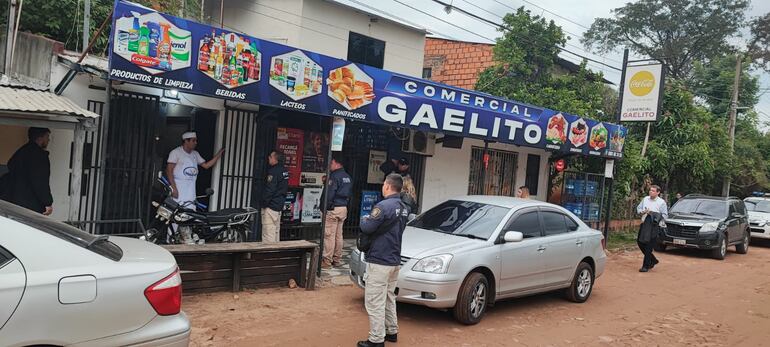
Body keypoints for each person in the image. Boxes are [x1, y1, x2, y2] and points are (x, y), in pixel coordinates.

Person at [357, 174, 409, 347]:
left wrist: (364, 219)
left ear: (387, 186)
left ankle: (376, 339)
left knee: (374, 301)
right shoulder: (404, 207)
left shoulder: (383, 206)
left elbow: (367, 227)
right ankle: (391, 331)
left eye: (383, 184)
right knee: (389, 297)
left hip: (380, 259)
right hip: (394, 259)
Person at [2, 127, 53, 215]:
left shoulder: (21, 151)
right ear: (40, 138)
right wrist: (47, 202)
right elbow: (40, 182)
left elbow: (10, 164)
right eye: (47, 136)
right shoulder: (39, 156)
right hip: (31, 204)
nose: (49, 140)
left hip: (14, 200)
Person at [166, 131, 224, 206]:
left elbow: (206, 166)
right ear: (186, 141)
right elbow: (169, 171)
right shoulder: (176, 153)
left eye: (196, 140)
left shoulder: (195, 154)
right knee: (177, 210)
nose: (196, 143)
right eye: (193, 141)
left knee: (190, 209)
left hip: (191, 191)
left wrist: (219, 154)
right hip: (178, 188)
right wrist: (174, 188)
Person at [322, 153, 352, 267]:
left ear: (335, 162)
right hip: (343, 208)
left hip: (333, 208)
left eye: (331, 162)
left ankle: (326, 260)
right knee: (339, 235)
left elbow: (329, 194)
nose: (329, 165)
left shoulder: (334, 176)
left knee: (329, 235)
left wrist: (325, 207)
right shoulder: (347, 177)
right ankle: (337, 259)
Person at [636, 185, 668, 272]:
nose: (651, 192)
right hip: (644, 224)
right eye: (650, 190)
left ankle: (645, 266)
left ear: (658, 192)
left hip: (653, 226)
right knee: (640, 242)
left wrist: (654, 215)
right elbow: (638, 208)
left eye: (653, 191)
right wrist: (643, 211)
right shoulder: (645, 199)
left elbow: (665, 215)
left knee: (649, 245)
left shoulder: (661, 202)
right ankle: (653, 259)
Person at [261, 150, 289, 243]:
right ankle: (276, 251)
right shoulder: (284, 171)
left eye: (270, 156)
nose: (268, 158)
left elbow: (270, 189)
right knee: (276, 233)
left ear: (275, 159)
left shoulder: (273, 171)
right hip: (279, 206)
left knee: (268, 234)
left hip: (271, 207)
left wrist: (264, 203)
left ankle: (269, 252)